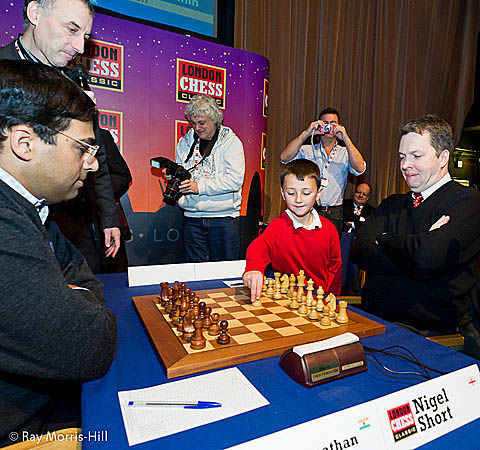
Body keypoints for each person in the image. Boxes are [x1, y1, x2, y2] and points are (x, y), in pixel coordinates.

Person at [0, 59, 117, 446]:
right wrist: (76, 302)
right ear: (24, 143)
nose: (93, 163)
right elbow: (88, 342)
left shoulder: (32, 207)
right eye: (82, 147)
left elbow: (81, 273)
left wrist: (73, 295)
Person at [0, 0, 123, 273]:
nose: (80, 47)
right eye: (71, 29)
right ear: (35, 13)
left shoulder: (75, 85)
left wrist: (108, 218)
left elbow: (96, 155)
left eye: (85, 37)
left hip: (69, 221)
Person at [351, 114, 480, 359]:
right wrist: (417, 246)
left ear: (443, 158)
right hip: (370, 325)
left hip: (429, 340)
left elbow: (427, 257)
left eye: (416, 156)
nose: (405, 165)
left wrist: (386, 239)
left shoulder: (468, 202)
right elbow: (359, 249)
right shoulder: (392, 203)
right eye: (402, 156)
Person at [243, 159, 341, 303]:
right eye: (291, 193)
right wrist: (253, 268)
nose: (298, 199)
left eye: (306, 193)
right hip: (286, 300)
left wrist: (333, 297)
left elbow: (335, 267)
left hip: (319, 301)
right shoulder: (277, 226)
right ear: (283, 193)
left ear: (318, 193)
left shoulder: (329, 228)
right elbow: (259, 247)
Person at [175, 95, 245, 262]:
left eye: (202, 122)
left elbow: (235, 180)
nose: (197, 127)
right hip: (192, 219)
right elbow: (182, 173)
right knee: (196, 279)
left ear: (215, 120)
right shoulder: (184, 143)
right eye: (193, 123)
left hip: (223, 219)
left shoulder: (231, 142)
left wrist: (199, 187)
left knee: (223, 276)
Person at [280, 107, 366, 236]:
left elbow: (360, 169)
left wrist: (346, 138)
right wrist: (307, 133)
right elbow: (284, 158)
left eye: (333, 123)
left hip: (334, 213)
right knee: (306, 249)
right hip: (308, 210)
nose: (329, 127)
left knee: (329, 252)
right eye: (325, 123)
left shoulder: (345, 152)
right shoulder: (308, 150)